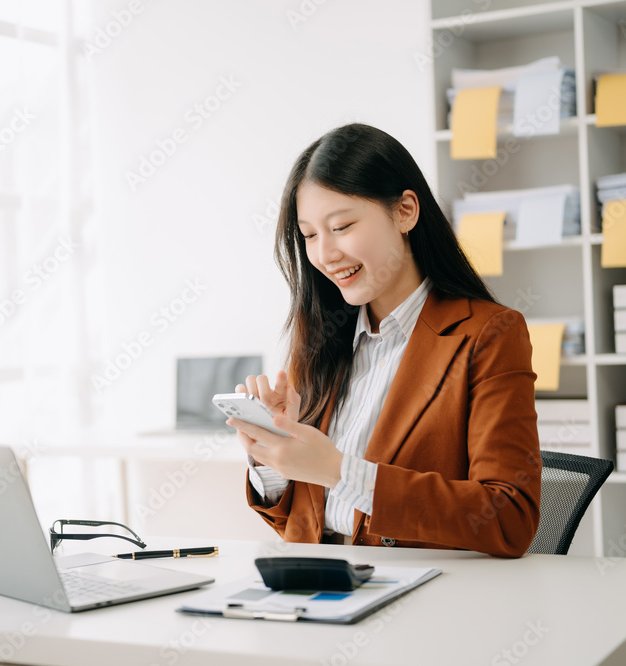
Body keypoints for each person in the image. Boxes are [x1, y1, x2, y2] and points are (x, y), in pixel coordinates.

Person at [226, 123, 541, 558]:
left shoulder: (487, 334)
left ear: (405, 212)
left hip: (422, 596)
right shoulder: (320, 337)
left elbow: (509, 518)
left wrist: (338, 471)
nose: (324, 254)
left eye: (341, 226)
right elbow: (305, 526)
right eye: (310, 235)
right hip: (317, 589)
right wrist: (273, 458)